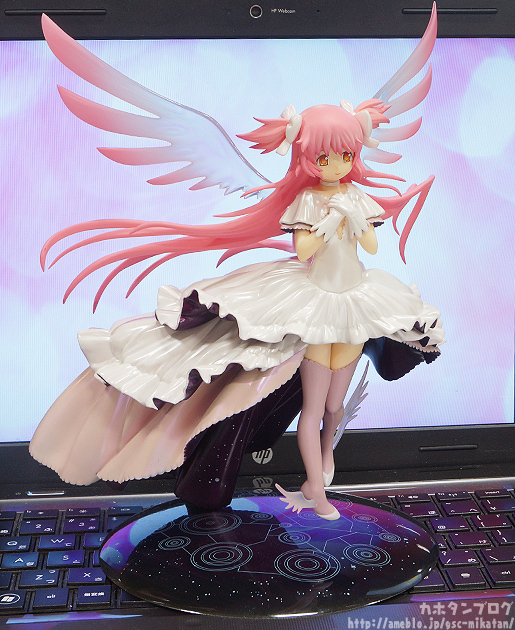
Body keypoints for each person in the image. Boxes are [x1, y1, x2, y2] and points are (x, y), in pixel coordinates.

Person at [30, 8, 443, 520]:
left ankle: (327, 461)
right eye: (324, 157)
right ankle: (316, 488)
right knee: (312, 405)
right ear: (307, 157)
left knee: (335, 406)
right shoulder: (308, 200)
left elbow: (373, 247)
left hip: (355, 299)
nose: (335, 165)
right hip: (314, 304)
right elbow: (305, 253)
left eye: (343, 155)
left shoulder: (356, 196)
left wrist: (355, 221)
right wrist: (329, 223)